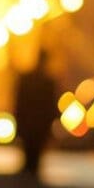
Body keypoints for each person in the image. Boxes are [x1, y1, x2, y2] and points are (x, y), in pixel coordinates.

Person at [13, 49, 59, 180]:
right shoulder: (47, 82)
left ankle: (28, 179)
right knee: (34, 156)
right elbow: (51, 107)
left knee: (30, 155)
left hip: (32, 125)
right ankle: (30, 179)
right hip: (38, 126)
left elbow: (20, 104)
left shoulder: (29, 79)